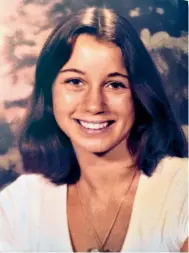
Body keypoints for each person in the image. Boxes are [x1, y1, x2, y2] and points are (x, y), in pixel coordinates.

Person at [0, 6, 188, 252]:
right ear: (49, 93)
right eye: (75, 82)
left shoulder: (181, 190)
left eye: (114, 84)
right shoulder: (18, 205)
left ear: (139, 94)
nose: (94, 105)